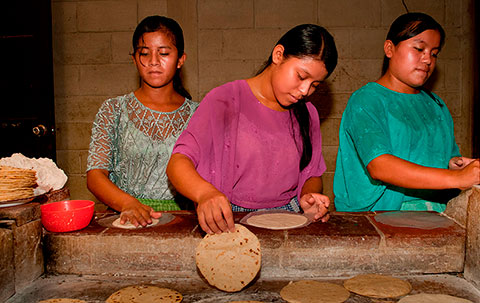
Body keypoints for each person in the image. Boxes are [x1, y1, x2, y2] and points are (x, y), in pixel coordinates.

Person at [167, 24, 338, 234]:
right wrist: (204, 194)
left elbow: (311, 173)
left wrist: (309, 198)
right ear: (278, 54)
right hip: (231, 219)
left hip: (290, 219)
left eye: (315, 85)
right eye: (301, 77)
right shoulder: (225, 100)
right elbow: (178, 163)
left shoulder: (307, 113)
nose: (305, 91)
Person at [334, 12, 480, 212]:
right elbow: (380, 166)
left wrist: (452, 165)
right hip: (379, 218)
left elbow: (431, 156)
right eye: (419, 48)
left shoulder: (435, 105)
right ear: (389, 48)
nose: (428, 59)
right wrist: (457, 178)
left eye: (434, 53)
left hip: (435, 214)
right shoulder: (367, 101)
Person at [87, 15, 198, 227]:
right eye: (144, 54)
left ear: (180, 60)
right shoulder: (114, 110)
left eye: (164, 53)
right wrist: (128, 203)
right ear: (134, 59)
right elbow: (95, 175)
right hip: (126, 219)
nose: (154, 61)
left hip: (183, 222)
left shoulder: (198, 114)